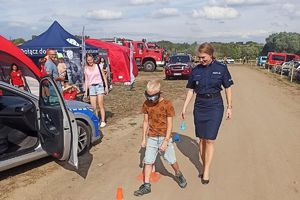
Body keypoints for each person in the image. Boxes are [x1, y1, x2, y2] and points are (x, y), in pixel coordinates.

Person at [181, 43, 233, 185]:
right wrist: (184, 107)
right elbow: (191, 90)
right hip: (200, 105)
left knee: (210, 139)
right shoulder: (196, 70)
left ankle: (206, 170)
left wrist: (229, 107)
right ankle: (204, 165)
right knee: (202, 139)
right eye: (199, 58)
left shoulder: (221, 68)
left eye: (203, 57)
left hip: (215, 105)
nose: (201, 60)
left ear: (211, 55)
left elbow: (228, 88)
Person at [134, 80, 187, 197]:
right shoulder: (146, 104)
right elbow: (145, 122)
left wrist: (166, 141)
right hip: (152, 137)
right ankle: (146, 185)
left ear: (159, 93)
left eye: (153, 96)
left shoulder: (167, 104)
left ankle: (178, 174)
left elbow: (170, 124)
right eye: (148, 95)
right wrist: (143, 139)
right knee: (148, 161)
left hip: (164, 137)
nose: (150, 99)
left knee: (171, 160)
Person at [84, 53, 108, 128]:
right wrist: (85, 91)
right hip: (91, 87)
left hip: (99, 86)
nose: (90, 61)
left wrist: (106, 87)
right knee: (93, 107)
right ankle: (96, 120)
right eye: (88, 60)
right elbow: (86, 80)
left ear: (93, 59)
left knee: (100, 104)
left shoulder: (98, 66)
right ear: (86, 61)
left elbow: (104, 77)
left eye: (91, 60)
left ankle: (103, 120)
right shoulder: (86, 68)